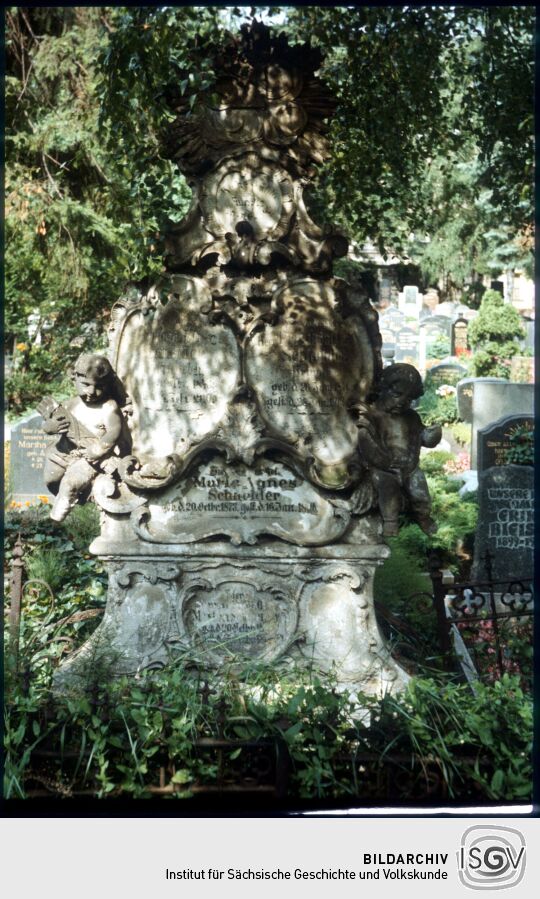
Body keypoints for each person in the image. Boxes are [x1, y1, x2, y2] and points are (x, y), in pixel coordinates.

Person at [354, 363, 441, 536]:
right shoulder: (373, 416)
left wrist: (432, 436)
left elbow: (421, 437)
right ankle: (390, 523)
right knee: (388, 488)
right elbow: (366, 442)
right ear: (383, 389)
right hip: (383, 467)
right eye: (397, 394)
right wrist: (385, 463)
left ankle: (423, 517)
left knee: (420, 491)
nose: (402, 402)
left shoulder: (411, 417)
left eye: (408, 399)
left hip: (410, 467)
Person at [40, 354, 129, 522]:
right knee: (51, 479)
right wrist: (50, 427)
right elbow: (49, 424)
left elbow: (114, 431)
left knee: (69, 484)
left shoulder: (108, 406)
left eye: (99, 386)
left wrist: (97, 450)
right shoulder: (70, 404)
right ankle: (76, 498)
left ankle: (54, 522)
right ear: (74, 380)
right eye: (86, 384)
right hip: (63, 453)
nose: (91, 391)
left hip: (88, 458)